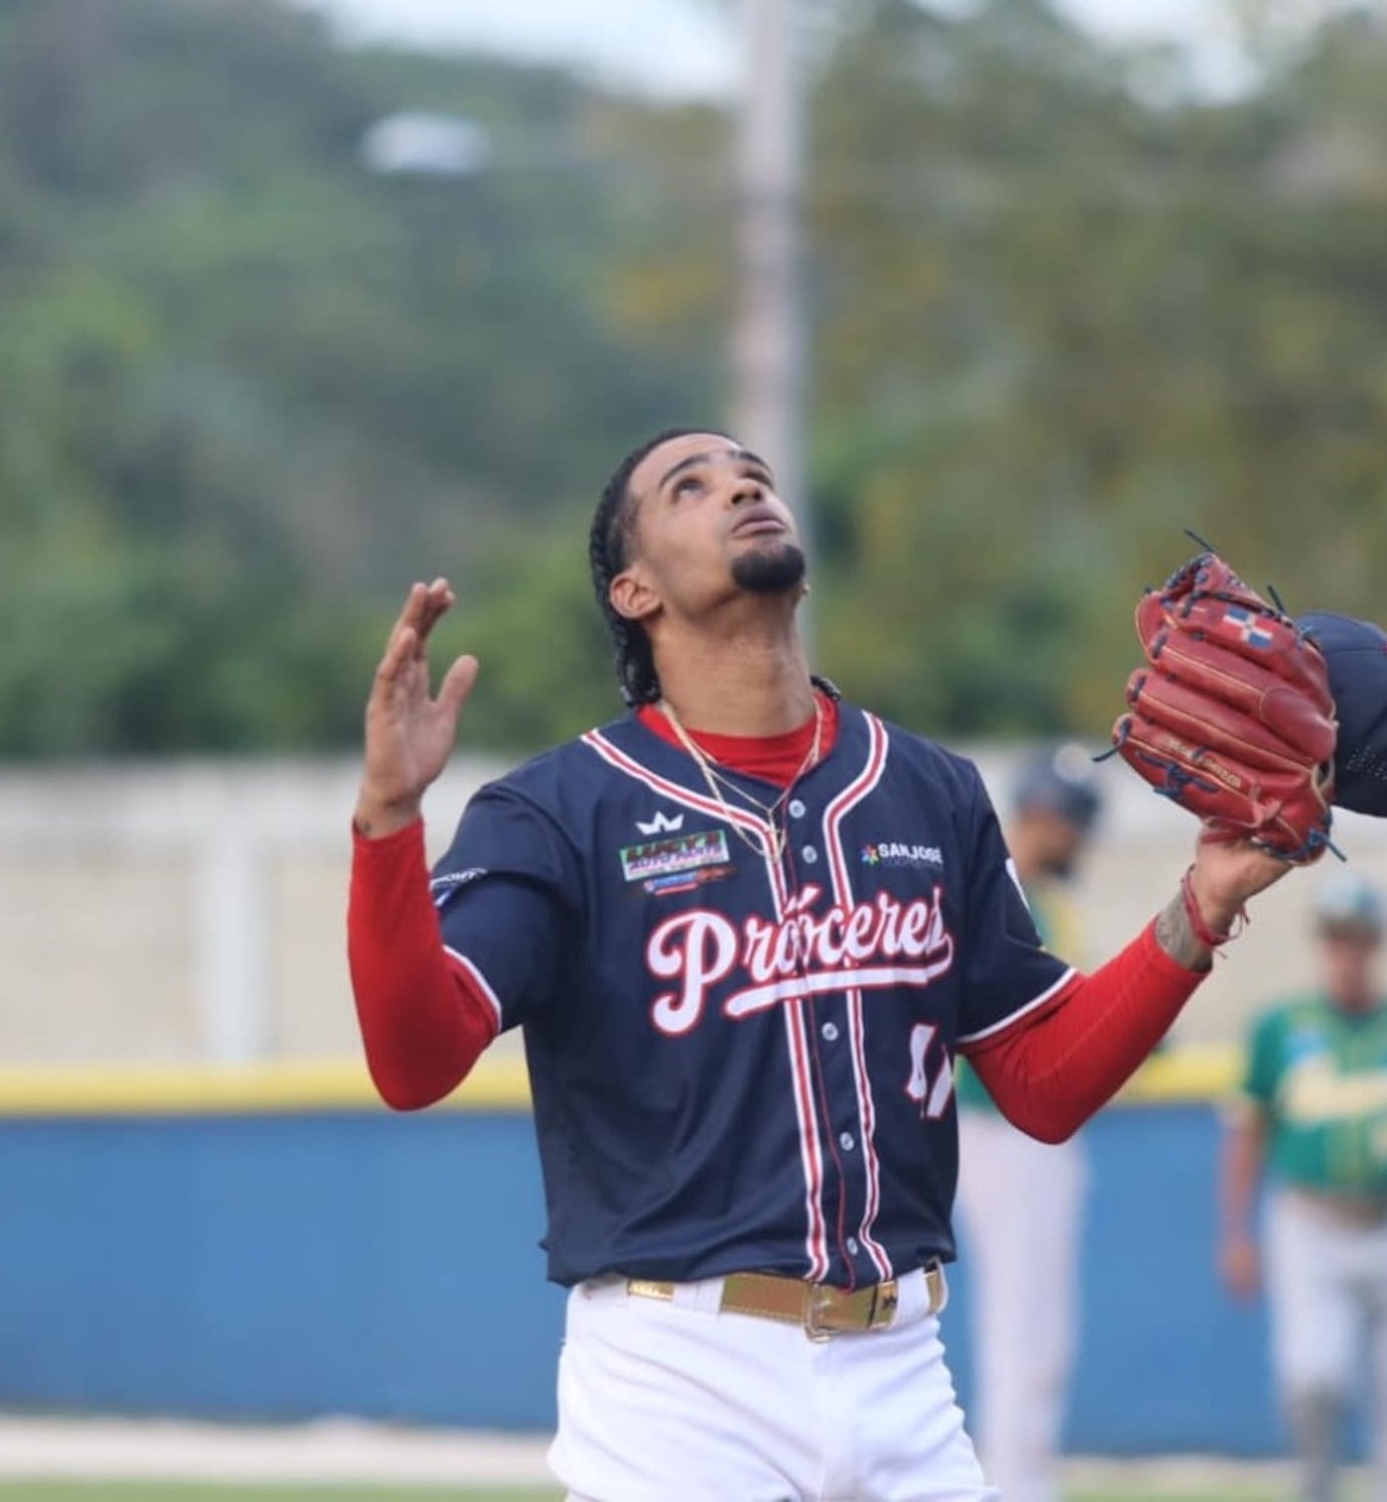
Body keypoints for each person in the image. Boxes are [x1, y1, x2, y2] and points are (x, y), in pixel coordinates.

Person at [347, 429, 1305, 1500]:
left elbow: (1040, 1080)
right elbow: (413, 1058)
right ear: (632, 589)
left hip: (900, 1360)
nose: (741, 487)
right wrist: (387, 821)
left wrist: (1202, 905)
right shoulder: (563, 810)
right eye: (690, 486)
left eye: (751, 473)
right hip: (678, 1375)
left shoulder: (923, 787)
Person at [1217, 875, 1387, 1502]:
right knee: (1313, 1378)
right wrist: (1234, 1232)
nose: (1349, 953)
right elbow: (1247, 1132)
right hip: (1310, 1220)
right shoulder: (1281, 1028)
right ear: (1324, 945)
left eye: (1360, 940)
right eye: (1338, 940)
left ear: (1379, 946)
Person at [952, 746, 1104, 1502]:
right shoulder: (1001, 891)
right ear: (1037, 813)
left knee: (1034, 1331)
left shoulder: (1043, 897)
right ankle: (1014, 1487)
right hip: (1003, 1129)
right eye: (1069, 818)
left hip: (1019, 1132)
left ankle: (1019, 1480)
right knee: (1025, 1328)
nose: (1078, 835)